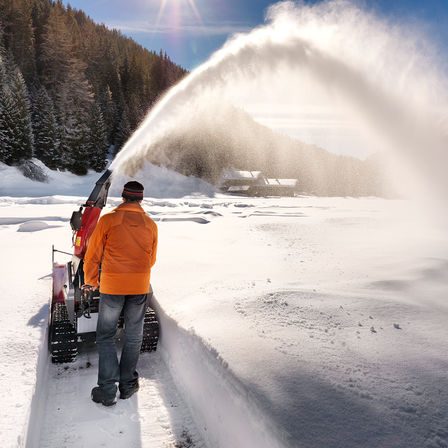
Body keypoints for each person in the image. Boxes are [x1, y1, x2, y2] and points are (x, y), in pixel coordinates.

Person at [83, 181, 158, 406]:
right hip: (139, 287)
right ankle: (127, 385)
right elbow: (152, 259)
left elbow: (93, 255)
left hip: (113, 287)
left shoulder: (108, 220)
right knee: (134, 335)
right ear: (141, 199)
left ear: (123, 197)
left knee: (106, 335)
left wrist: (90, 281)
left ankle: (107, 389)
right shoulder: (151, 225)